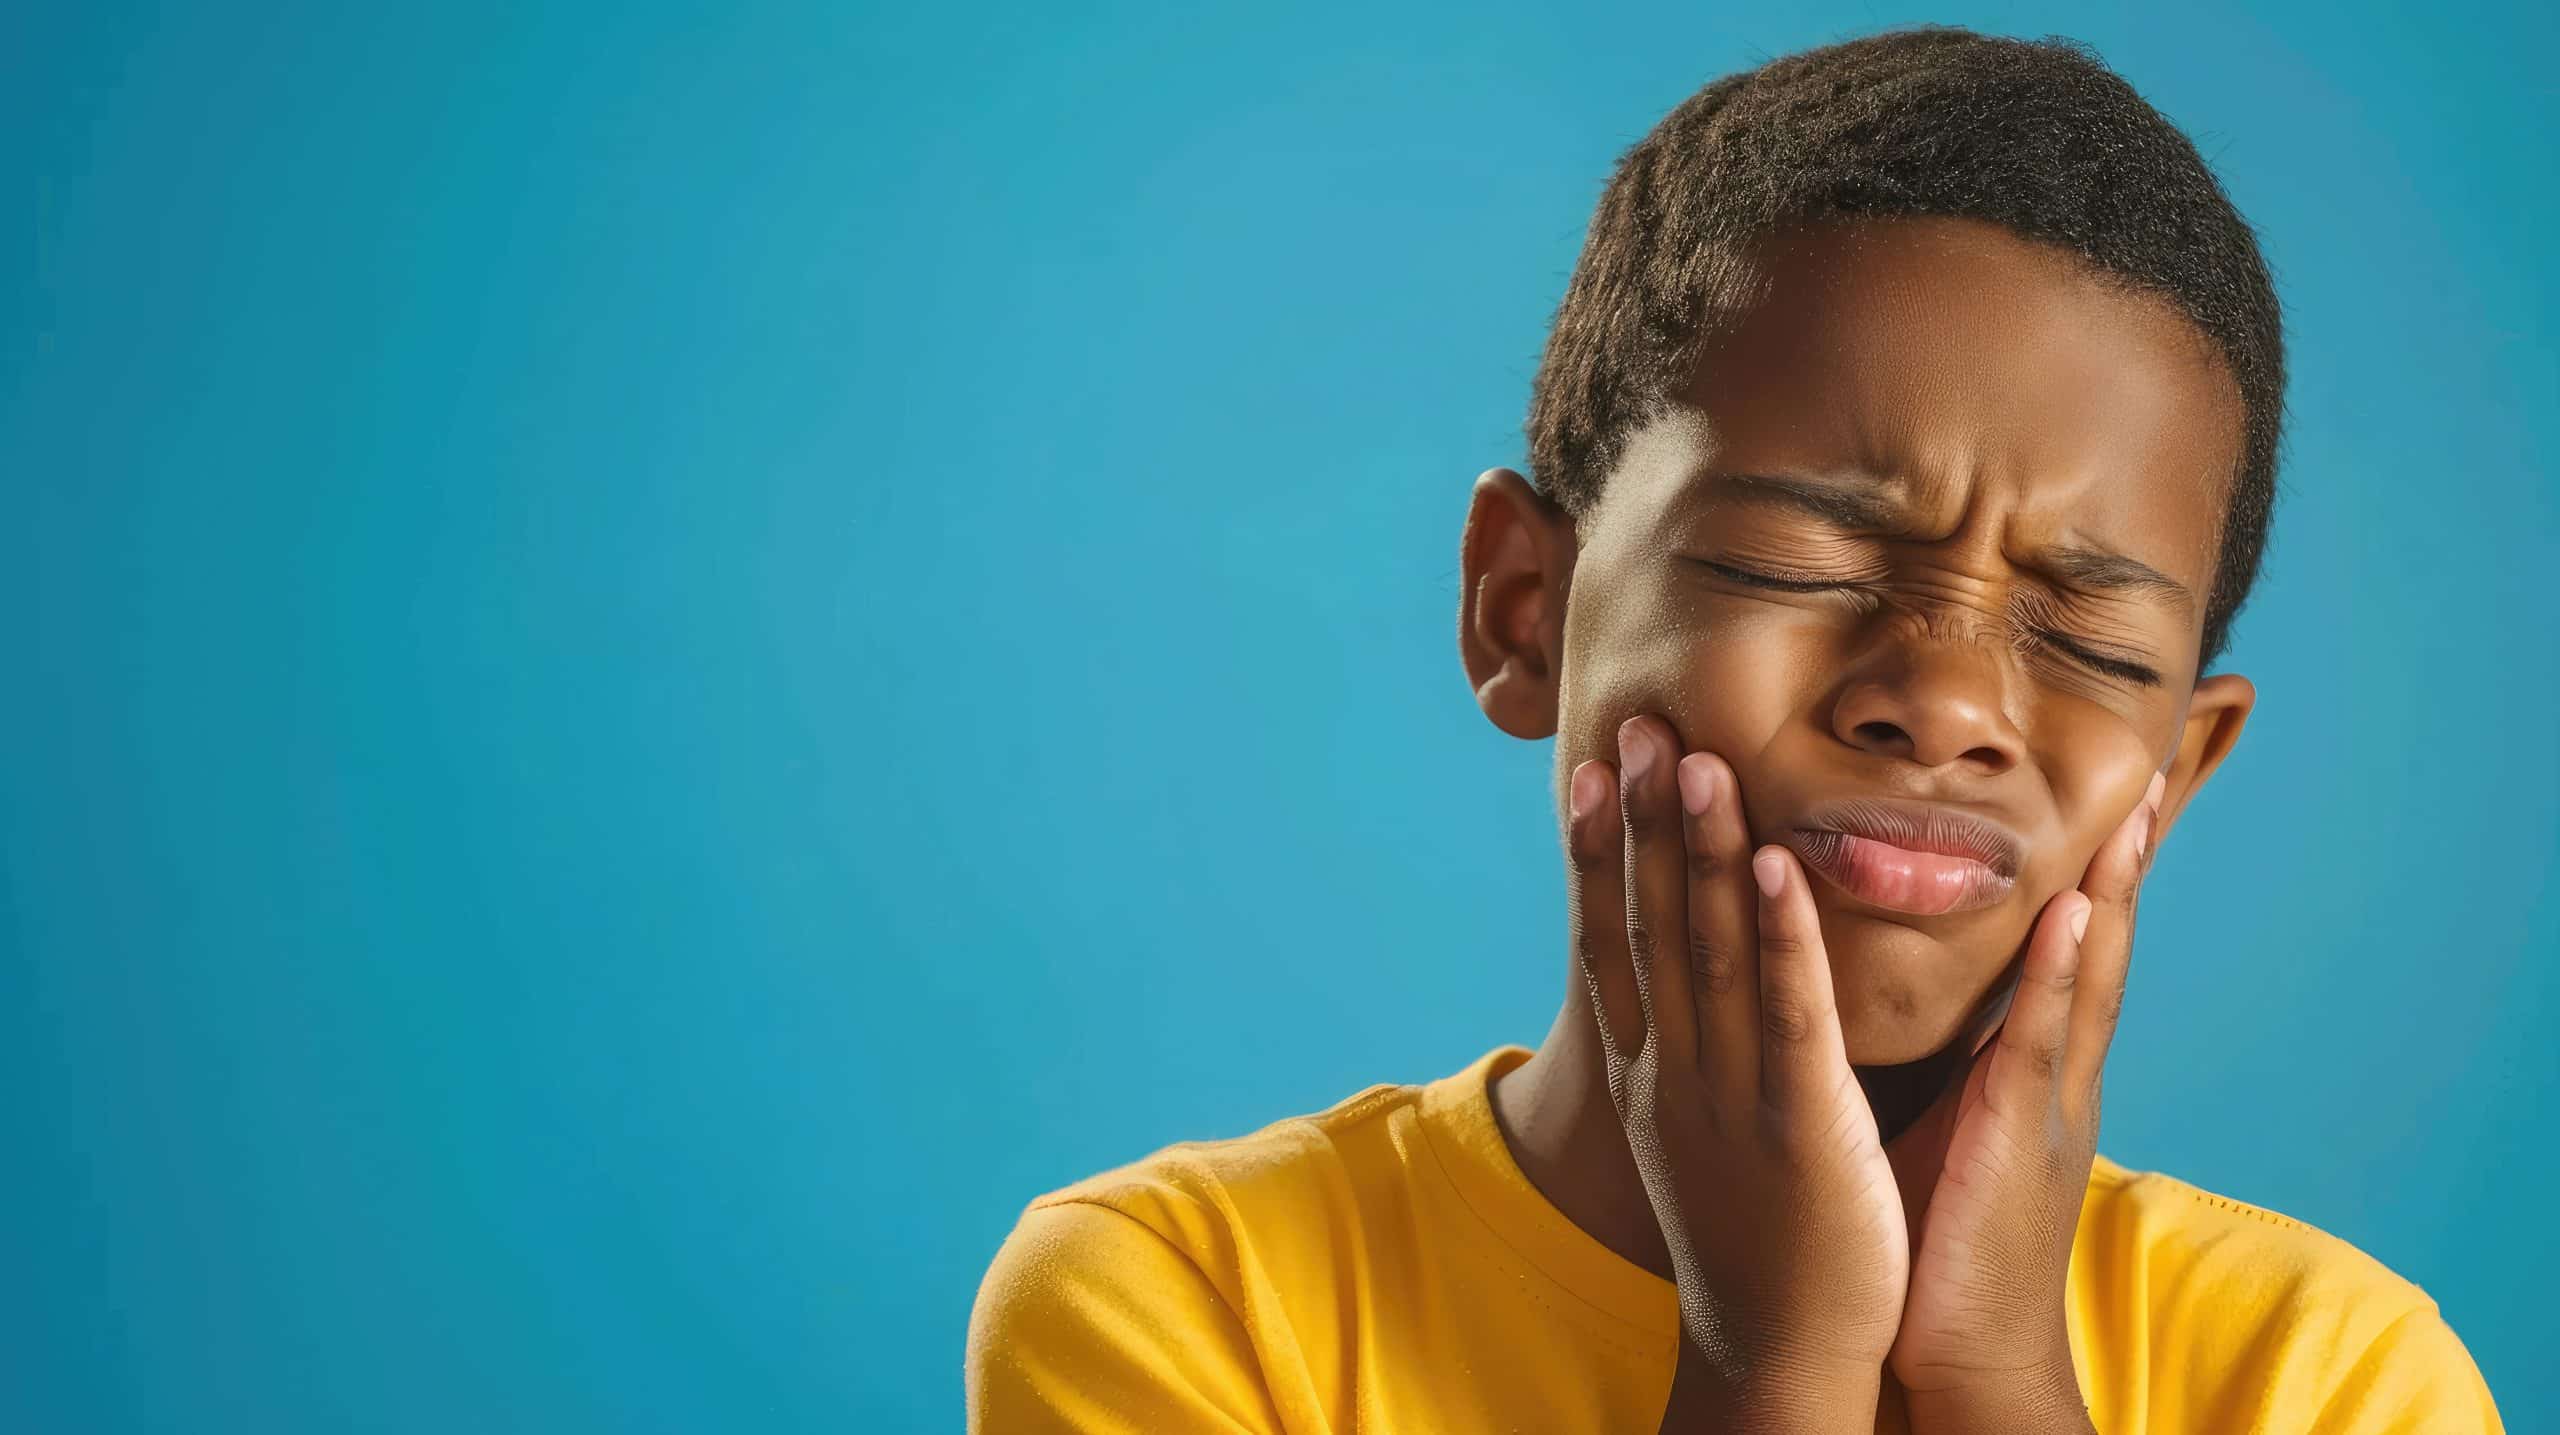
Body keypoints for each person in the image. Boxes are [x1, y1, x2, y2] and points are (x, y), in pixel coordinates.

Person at [962, 26, 2505, 1433]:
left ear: (2177, 767)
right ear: (1524, 609)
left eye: (2088, 640)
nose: (1945, 704)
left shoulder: (2327, 1376)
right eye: (1793, 563)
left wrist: (1993, 1374)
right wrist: (1777, 1364)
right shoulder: (1187, 1299)